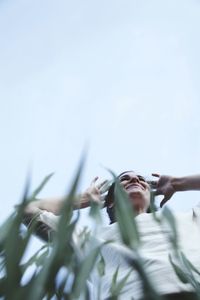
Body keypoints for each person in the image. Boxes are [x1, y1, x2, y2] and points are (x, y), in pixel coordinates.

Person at [23, 172, 200, 300]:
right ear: (110, 201)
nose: (134, 179)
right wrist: (83, 200)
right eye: (124, 179)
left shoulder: (188, 219)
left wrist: (178, 183)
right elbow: (28, 210)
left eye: (140, 179)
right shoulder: (89, 239)